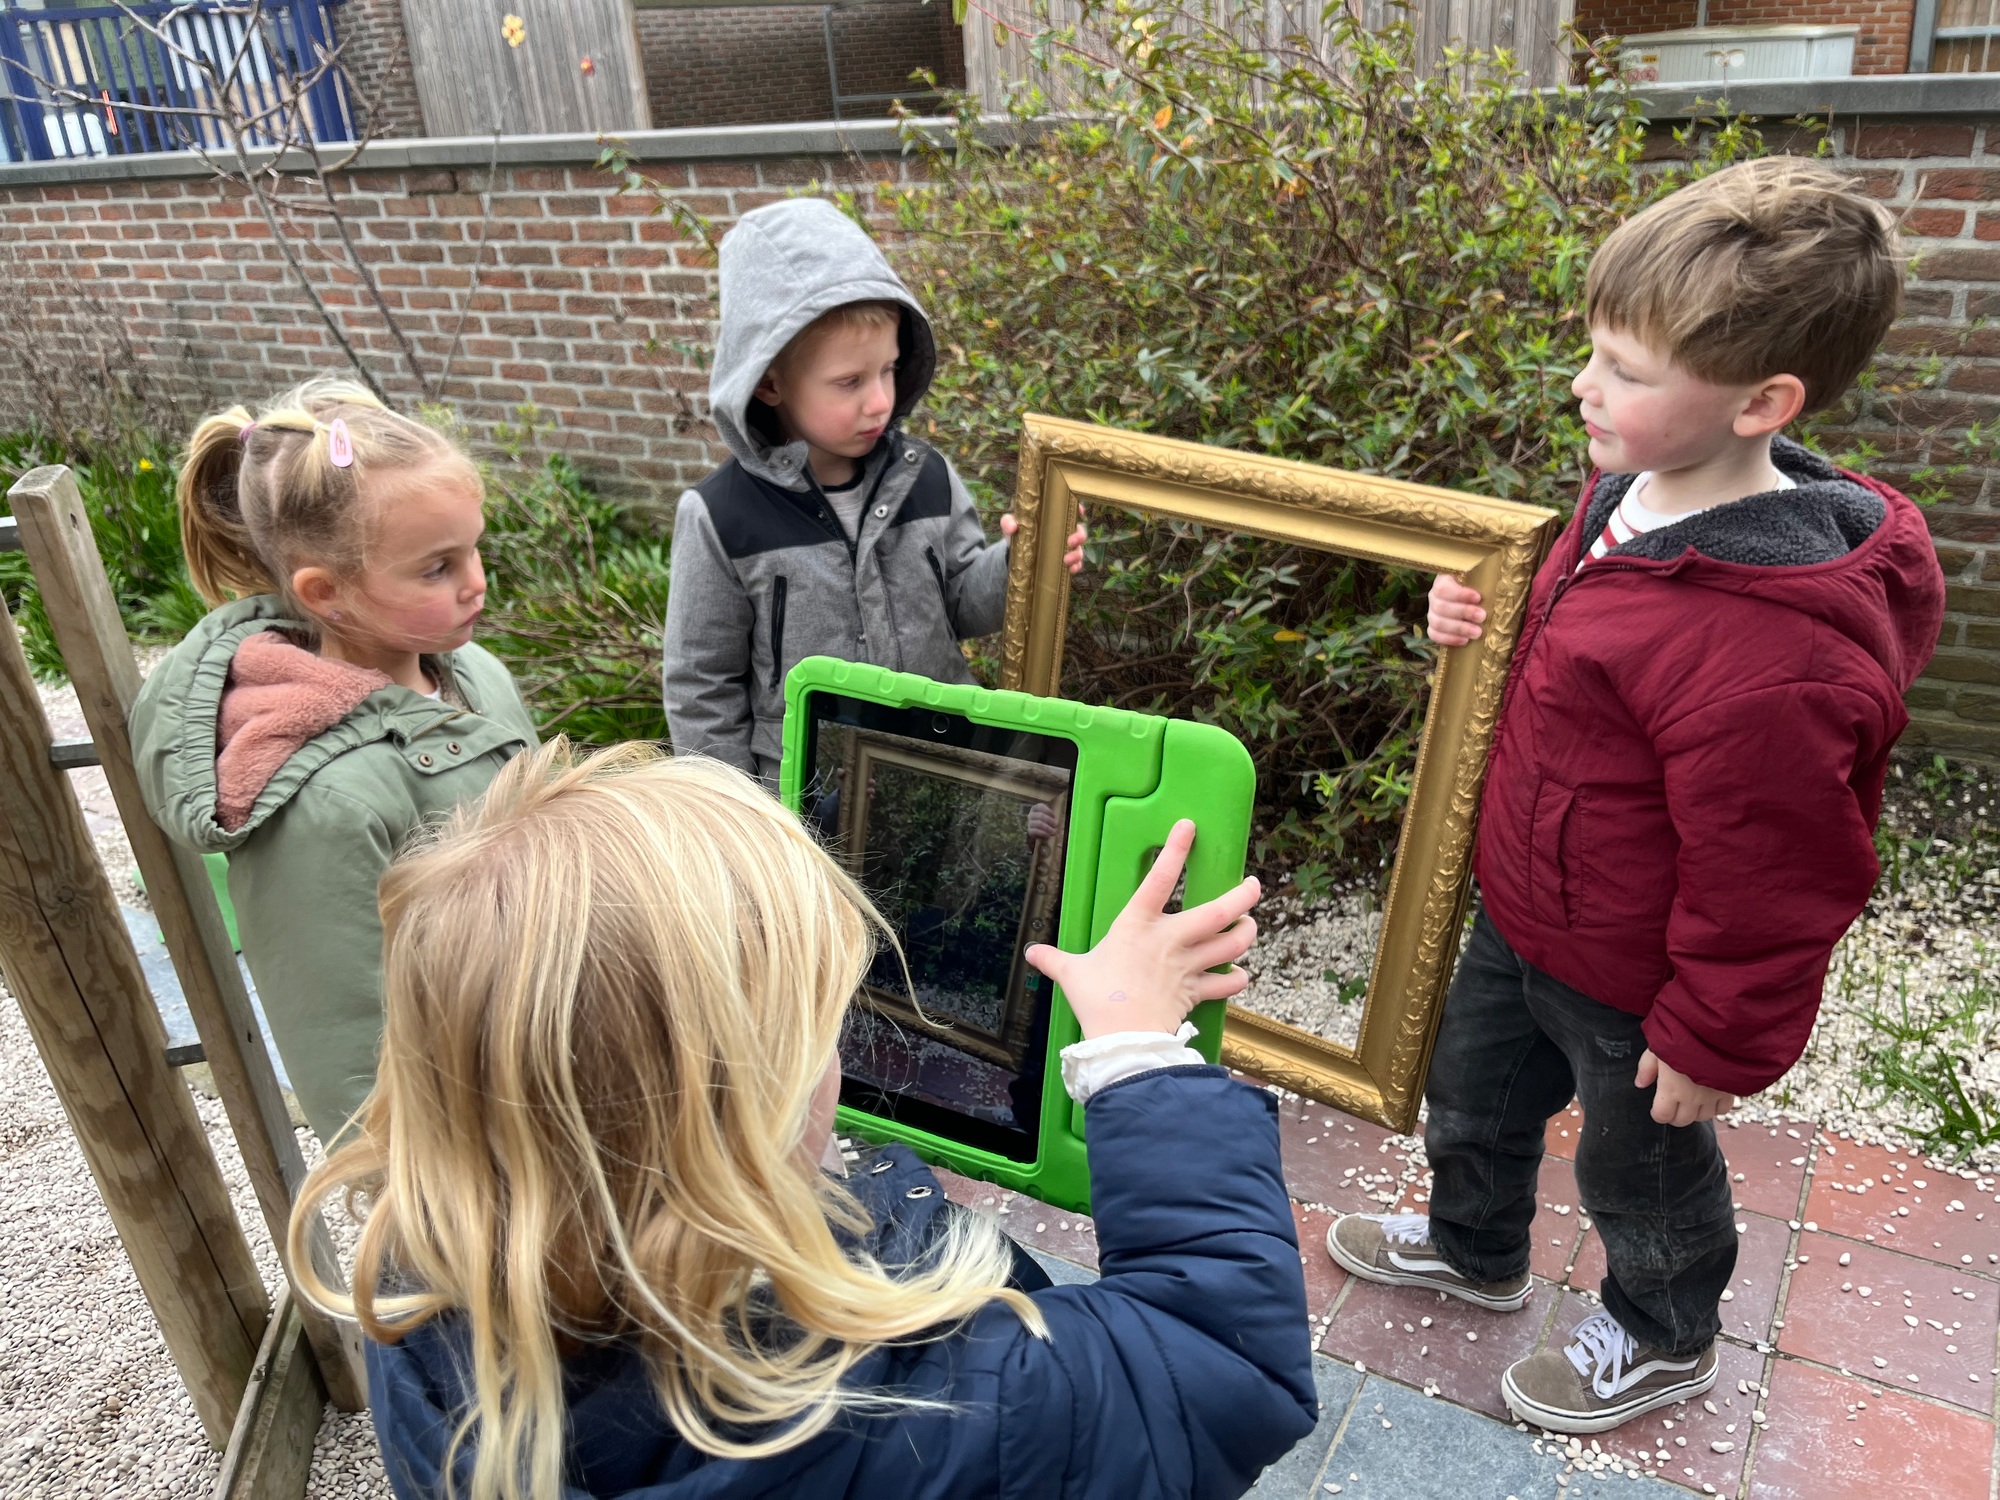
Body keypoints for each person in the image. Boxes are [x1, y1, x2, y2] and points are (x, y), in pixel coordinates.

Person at [1325, 158, 1946, 1433]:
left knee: (1640, 1162)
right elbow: (1584, 664)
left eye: (1623, 368)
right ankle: (1473, 1246)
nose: (1581, 384)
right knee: (1472, 1092)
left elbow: (1777, 869)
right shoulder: (1627, 497)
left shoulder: (1770, 648)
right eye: (1592, 351)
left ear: (1758, 402)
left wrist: (1714, 1034)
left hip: (1633, 967)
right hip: (1526, 908)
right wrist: (1481, 627)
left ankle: (1663, 1331)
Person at [290, 741, 1317, 1500]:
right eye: (821, 1028)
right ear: (747, 1129)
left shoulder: (419, 1288)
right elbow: (1223, 1364)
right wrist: (1135, 1047)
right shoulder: (927, 1414)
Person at [132, 379, 537, 1145]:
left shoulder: (477, 675)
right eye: (437, 567)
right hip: (472, 1144)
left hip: (550, 1074)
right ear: (327, 594)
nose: (476, 582)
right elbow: (347, 1049)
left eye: (473, 548)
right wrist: (423, 1185)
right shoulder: (322, 804)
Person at [663, 197, 1085, 785]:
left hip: (941, 772)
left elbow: (961, 603)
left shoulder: (927, 476)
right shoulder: (720, 517)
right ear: (768, 384)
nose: (880, 400)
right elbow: (701, 686)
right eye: (850, 382)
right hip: (802, 798)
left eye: (888, 370)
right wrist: (737, 814)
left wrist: (1024, 561)